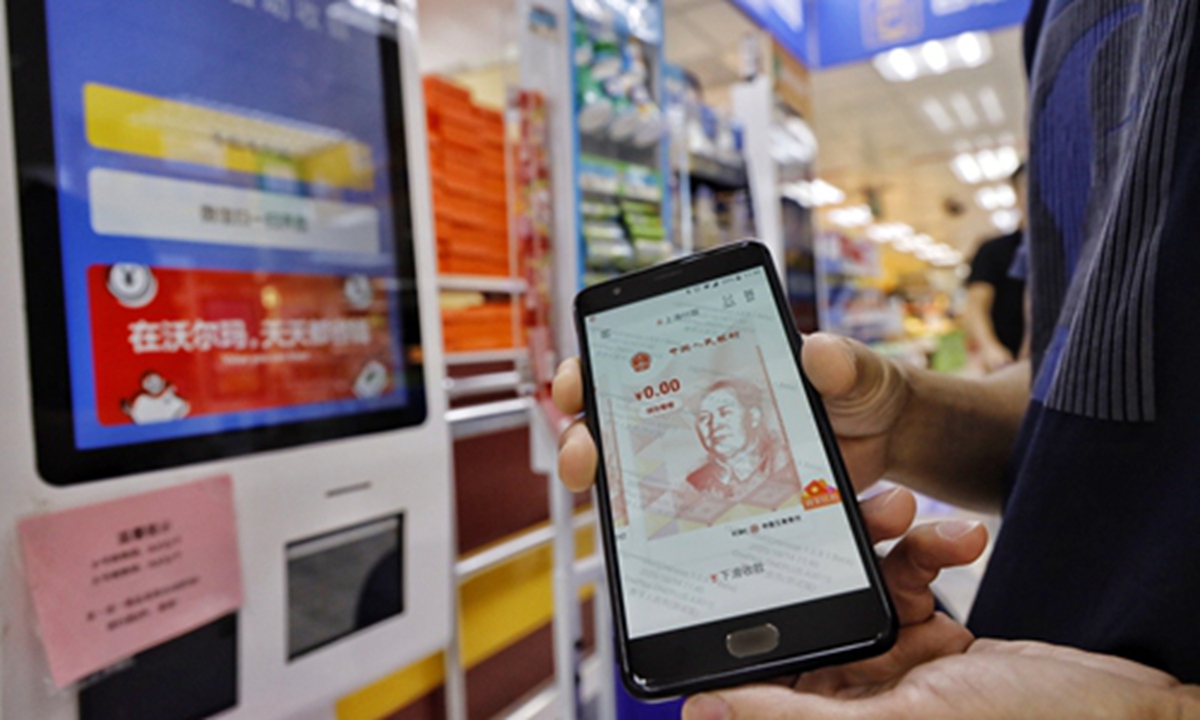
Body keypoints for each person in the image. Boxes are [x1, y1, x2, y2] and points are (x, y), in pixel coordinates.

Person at [549, 0, 1200, 715]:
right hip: (1017, 643)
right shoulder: (1053, 15)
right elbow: (1068, 389)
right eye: (707, 422)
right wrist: (904, 422)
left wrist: (1164, 710)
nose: (717, 431)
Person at [686, 379, 795, 499]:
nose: (714, 424)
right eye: (704, 418)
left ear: (754, 416)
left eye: (725, 412)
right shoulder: (693, 485)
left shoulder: (788, 460)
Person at [964, 166, 1026, 372]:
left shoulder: (1074, 247)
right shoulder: (993, 250)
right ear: (1017, 196)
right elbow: (975, 305)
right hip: (1007, 363)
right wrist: (990, 348)